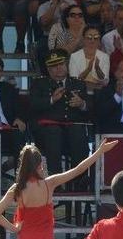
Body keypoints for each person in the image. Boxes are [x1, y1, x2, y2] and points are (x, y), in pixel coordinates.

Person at [29, 49, 90, 179]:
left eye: (61, 64)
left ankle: (80, 180)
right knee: (53, 131)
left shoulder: (78, 83)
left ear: (66, 64)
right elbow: (33, 105)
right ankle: (55, 179)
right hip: (47, 133)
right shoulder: (39, 84)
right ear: (48, 68)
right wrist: (51, 100)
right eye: (54, 66)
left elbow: (91, 109)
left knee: (78, 130)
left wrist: (81, 104)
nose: (58, 68)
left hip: (72, 131)